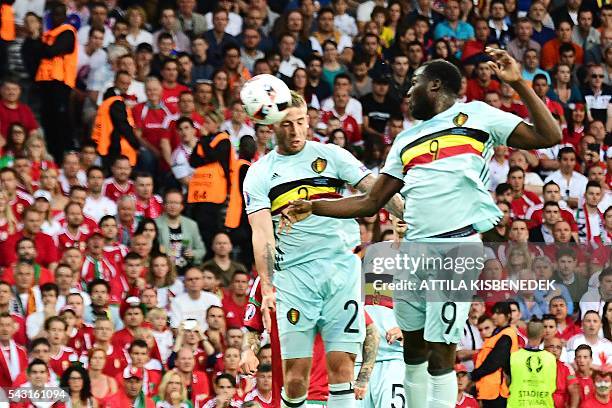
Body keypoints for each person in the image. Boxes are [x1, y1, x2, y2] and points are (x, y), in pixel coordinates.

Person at [285, 49, 562, 407]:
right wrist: (315, 206)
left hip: (456, 248)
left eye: (414, 83)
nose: (407, 92)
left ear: (434, 85)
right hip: (412, 250)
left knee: (441, 351)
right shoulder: (404, 140)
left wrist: (518, 83)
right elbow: (371, 202)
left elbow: (549, 134)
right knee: (413, 349)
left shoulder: (477, 116)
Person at [244, 85, 405, 408]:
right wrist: (269, 286)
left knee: (342, 366)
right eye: (288, 124)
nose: (296, 130)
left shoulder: (331, 155)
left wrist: (412, 212)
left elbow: (375, 190)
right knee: (296, 375)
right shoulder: (260, 173)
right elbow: (262, 234)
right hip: (295, 277)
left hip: (340, 271)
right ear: (272, 125)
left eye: (302, 122)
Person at [34, 1, 78, 163]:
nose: (56, 17)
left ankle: (65, 154)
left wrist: (41, 46)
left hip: (60, 83)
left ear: (65, 16)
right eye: (54, 14)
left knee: (60, 121)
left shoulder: (67, 32)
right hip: (47, 83)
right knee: (48, 120)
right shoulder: (50, 33)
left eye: (60, 14)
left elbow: (51, 51)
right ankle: (54, 154)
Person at [507, 319, 556, 407]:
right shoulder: (550, 359)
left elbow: (507, 381)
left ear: (526, 333)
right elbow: (553, 386)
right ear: (543, 334)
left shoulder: (514, 357)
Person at [544, 336, 580, 408]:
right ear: (544, 349)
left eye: (558, 347)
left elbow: (574, 390)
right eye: (551, 346)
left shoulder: (567, 369)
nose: (555, 350)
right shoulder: (537, 366)